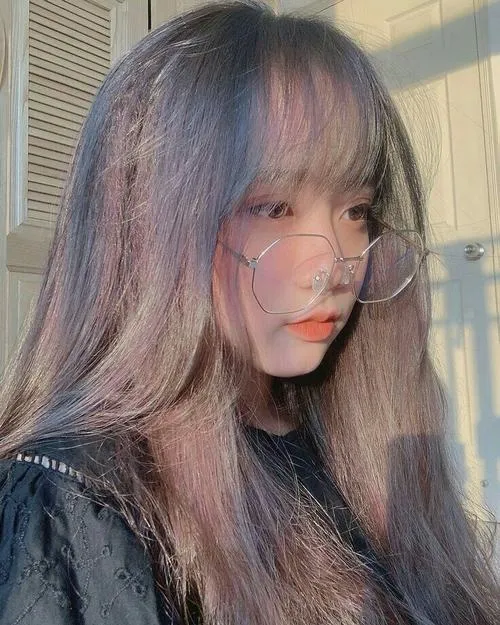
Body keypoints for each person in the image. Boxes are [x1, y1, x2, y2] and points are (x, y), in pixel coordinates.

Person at [0, 1, 498, 623]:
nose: (334, 265)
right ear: (145, 221)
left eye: (356, 211)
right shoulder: (76, 502)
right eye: (273, 208)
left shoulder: (353, 448)